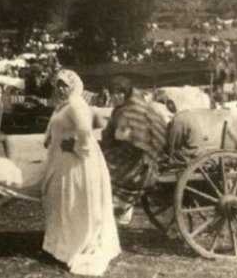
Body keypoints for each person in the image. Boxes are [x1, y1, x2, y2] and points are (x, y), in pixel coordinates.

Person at [41, 69, 120, 276]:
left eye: (64, 85)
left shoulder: (76, 105)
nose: (60, 89)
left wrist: (76, 148)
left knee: (74, 203)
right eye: (57, 85)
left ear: (74, 86)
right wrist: (50, 138)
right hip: (62, 160)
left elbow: (85, 132)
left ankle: (77, 246)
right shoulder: (62, 106)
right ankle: (60, 246)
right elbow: (54, 128)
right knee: (62, 202)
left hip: (78, 162)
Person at [102, 76, 169, 225]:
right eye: (112, 93)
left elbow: (126, 136)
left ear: (125, 94)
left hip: (142, 159)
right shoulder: (131, 107)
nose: (114, 97)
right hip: (137, 152)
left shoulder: (131, 110)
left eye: (118, 93)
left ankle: (121, 207)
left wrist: (114, 137)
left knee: (103, 166)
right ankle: (120, 208)